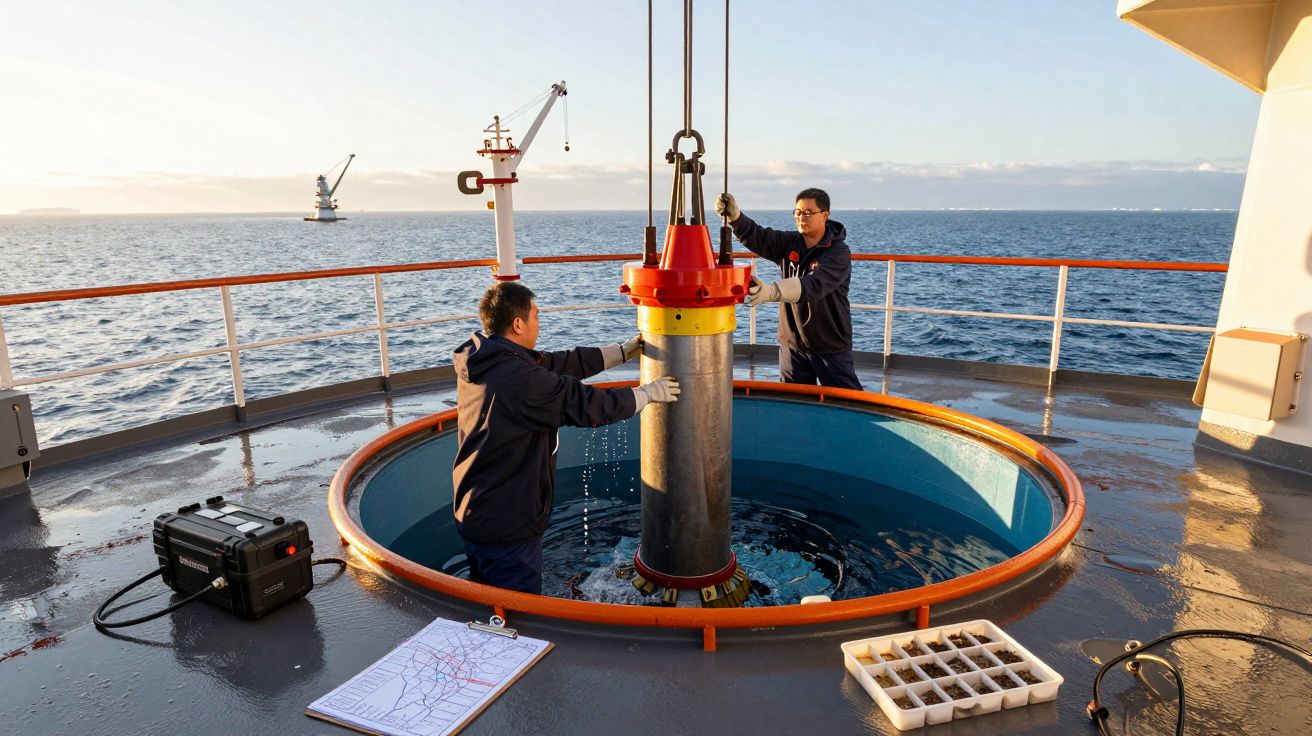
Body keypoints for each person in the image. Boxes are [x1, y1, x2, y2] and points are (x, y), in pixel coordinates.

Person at [451, 281, 680, 594]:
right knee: (518, 614)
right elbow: (589, 405)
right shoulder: (521, 379)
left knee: (484, 601)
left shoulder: (488, 360)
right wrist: (648, 393)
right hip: (508, 525)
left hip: (476, 509)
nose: (539, 323)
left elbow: (559, 364)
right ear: (518, 324)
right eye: (536, 316)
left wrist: (622, 352)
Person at [715, 188, 863, 390]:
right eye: (798, 212)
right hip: (792, 343)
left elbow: (814, 285)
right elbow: (760, 237)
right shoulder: (790, 243)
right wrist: (735, 217)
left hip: (829, 344)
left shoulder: (838, 252)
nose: (802, 217)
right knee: (794, 403)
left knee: (847, 403)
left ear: (825, 215)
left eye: (808, 213)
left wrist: (771, 292)